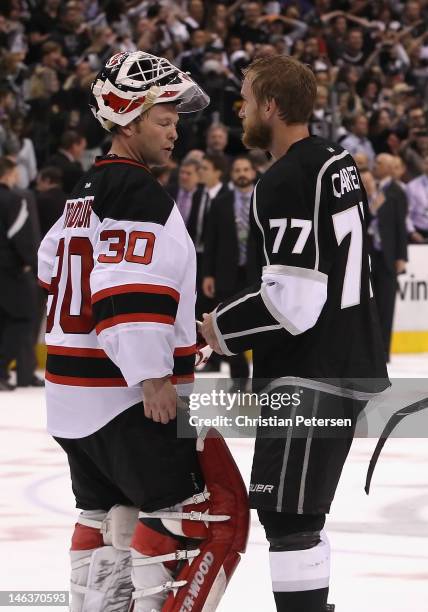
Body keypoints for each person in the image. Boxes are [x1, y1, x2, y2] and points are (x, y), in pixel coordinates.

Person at [37, 51, 248, 612]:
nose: (175, 129)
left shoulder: (84, 191)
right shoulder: (138, 192)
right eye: (163, 118)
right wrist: (153, 375)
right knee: (206, 516)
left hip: (71, 397)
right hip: (124, 397)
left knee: (106, 516)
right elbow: (126, 290)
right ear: (127, 119)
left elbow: (49, 267)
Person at [201, 55, 389, 612]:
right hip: (347, 362)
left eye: (247, 98)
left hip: (312, 371)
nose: (242, 111)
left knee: (288, 517)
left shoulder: (286, 179)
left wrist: (220, 328)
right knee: (297, 514)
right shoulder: (339, 160)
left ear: (272, 106)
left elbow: (295, 303)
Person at [202, 155, 257, 386]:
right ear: (231, 174)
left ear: (253, 173)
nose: (242, 174)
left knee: (258, 325)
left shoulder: (263, 198)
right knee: (230, 324)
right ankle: (239, 377)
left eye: (246, 169)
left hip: (258, 272)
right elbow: (210, 241)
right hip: (227, 272)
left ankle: (264, 380)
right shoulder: (221, 202)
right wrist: (208, 273)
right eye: (237, 170)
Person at [0, 157, 41, 390]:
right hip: (10, 271)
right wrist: (35, 266)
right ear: (9, 174)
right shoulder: (14, 200)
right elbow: (22, 238)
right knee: (23, 318)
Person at [369, 153, 408, 361]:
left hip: (387, 255)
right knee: (369, 305)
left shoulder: (396, 192)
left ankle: (383, 351)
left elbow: (400, 226)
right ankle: (369, 350)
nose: (375, 165)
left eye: (380, 163)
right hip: (369, 254)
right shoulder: (368, 187)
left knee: (386, 305)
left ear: (391, 168)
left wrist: (401, 255)